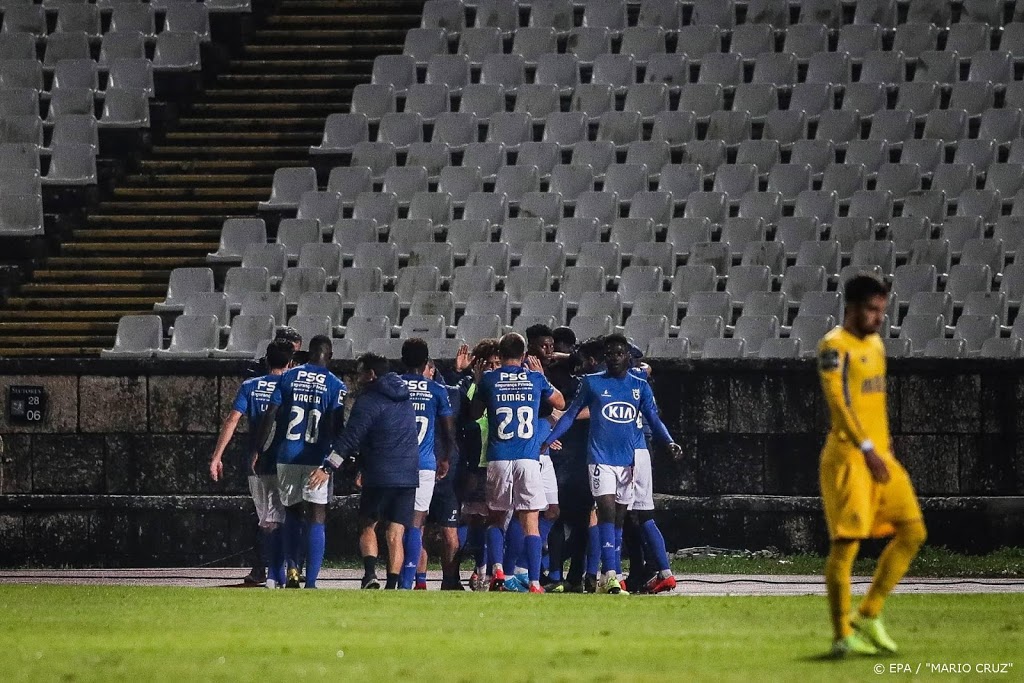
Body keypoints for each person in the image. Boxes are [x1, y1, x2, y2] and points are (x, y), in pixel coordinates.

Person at [817, 274, 927, 657]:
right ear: (852, 307)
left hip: (881, 455)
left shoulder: (877, 344)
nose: (879, 317)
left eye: (882, 309)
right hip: (850, 456)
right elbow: (838, 402)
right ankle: (841, 634)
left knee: (912, 531)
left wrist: (885, 443)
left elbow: (873, 401)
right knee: (846, 545)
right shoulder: (833, 346)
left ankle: (870, 611)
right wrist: (866, 447)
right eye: (872, 309)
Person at [544, 334, 682, 595]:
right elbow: (572, 413)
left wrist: (669, 442)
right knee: (608, 512)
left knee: (623, 517)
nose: (614, 358)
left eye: (619, 353)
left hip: (630, 458)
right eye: (610, 354)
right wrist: (550, 439)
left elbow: (653, 417)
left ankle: (619, 573)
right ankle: (612, 575)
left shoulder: (639, 385)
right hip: (600, 458)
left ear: (627, 356)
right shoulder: (593, 383)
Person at [310, 352, 420, 590]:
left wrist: (328, 467)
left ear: (371, 375)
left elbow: (350, 438)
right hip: (409, 472)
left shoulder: (369, 400)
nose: (357, 377)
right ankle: (393, 585)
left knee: (367, 524)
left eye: (360, 372)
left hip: (380, 471)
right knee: (396, 532)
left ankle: (370, 574)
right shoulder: (404, 397)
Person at [470, 333, 565, 593]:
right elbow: (560, 402)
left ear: (499, 355)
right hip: (528, 457)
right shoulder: (534, 378)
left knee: (496, 518)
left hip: (499, 457)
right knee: (530, 520)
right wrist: (542, 375)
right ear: (524, 355)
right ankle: (534, 581)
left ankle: (498, 571)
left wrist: (479, 382)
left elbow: (475, 413)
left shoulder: (489, 379)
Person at [254, 335, 346, 589]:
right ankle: (311, 582)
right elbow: (338, 427)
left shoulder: (287, 376)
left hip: (287, 455)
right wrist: (338, 459)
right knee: (317, 517)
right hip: (317, 459)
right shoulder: (336, 385)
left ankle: (292, 567)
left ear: (309, 353)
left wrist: (259, 450)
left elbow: (270, 415)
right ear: (330, 356)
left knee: (291, 513)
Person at [209, 339, 295, 588]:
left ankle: (268, 571)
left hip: (257, 461)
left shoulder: (250, 386)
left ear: (267, 360)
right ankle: (289, 568)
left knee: (266, 519)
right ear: (290, 362)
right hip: (288, 459)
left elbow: (232, 420)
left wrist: (217, 456)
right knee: (288, 516)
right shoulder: (292, 385)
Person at [398, 339, 456, 590]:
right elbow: (448, 430)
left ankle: (398, 577)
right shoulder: (436, 390)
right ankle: (410, 578)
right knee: (416, 521)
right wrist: (445, 458)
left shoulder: (392, 385)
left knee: (395, 523)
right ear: (425, 363)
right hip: (424, 463)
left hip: (395, 461)